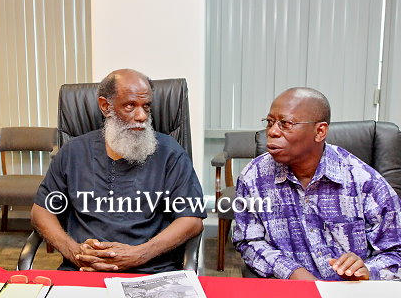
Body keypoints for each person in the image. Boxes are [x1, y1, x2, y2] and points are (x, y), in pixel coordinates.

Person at [32, 69, 205, 273]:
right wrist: (73, 251)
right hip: (83, 270)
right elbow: (40, 211)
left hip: (150, 271)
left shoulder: (170, 153)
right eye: (130, 106)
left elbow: (192, 220)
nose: (142, 116)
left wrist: (140, 254)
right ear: (106, 107)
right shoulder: (73, 152)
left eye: (146, 106)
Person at [233, 87, 401, 280]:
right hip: (287, 291)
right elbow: (248, 240)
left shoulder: (365, 182)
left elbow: (396, 251)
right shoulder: (253, 177)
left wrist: (368, 271)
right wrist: (291, 272)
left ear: (320, 131)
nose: (272, 132)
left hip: (351, 292)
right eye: (270, 122)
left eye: (285, 124)